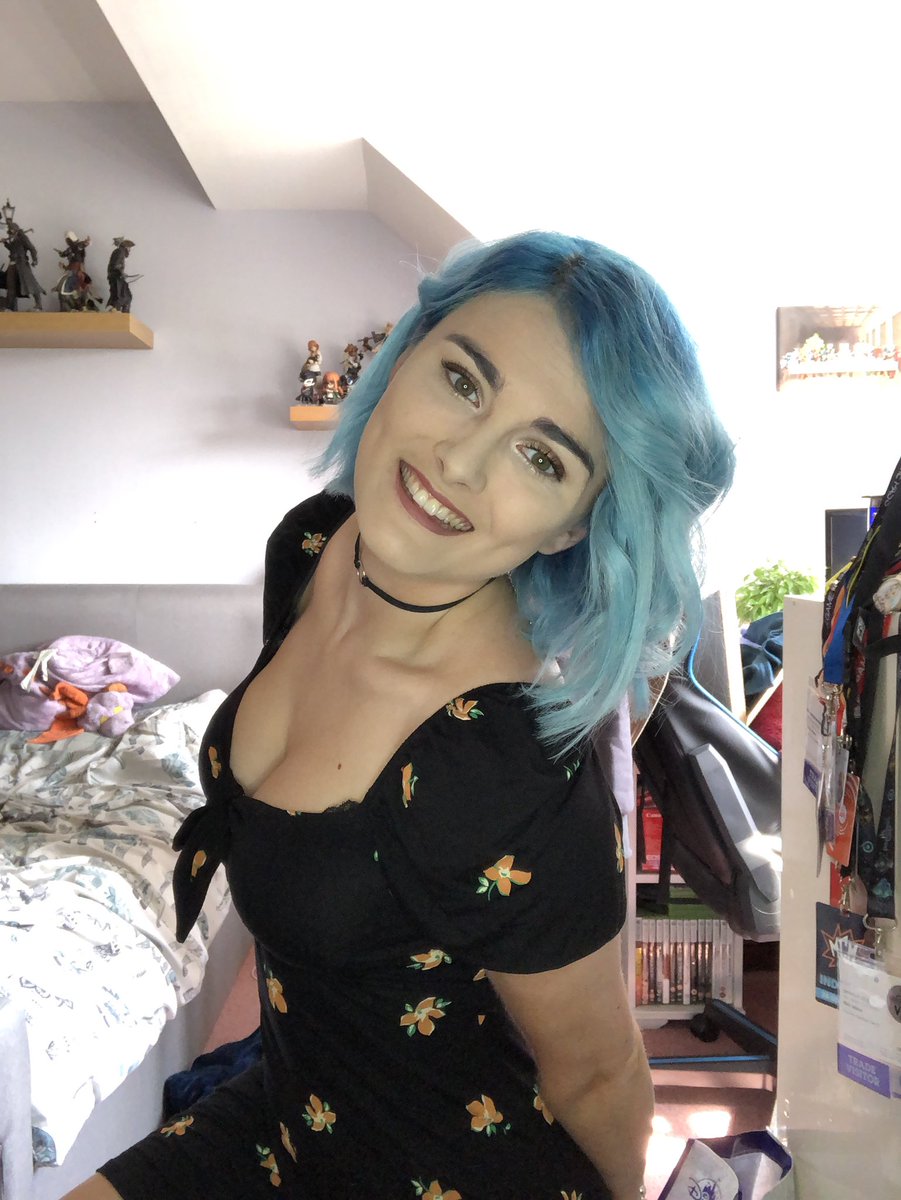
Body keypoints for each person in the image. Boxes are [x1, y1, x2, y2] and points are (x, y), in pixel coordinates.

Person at [65, 230, 734, 1200]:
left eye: (541, 457)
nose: (458, 461)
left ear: (573, 525)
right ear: (406, 352)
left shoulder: (502, 764)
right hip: (287, 1110)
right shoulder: (314, 548)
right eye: (462, 381)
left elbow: (598, 1074)